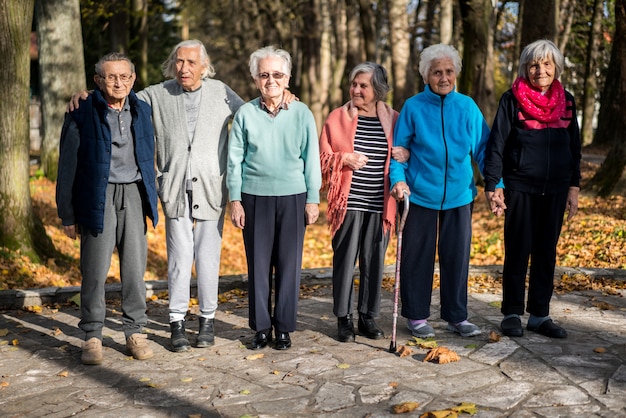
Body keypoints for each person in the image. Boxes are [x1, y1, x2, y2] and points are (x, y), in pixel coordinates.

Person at [68, 40, 296, 352]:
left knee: (207, 257)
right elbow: (119, 95)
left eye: (191, 62)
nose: (183, 68)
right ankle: (176, 321)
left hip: (211, 188)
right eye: (178, 62)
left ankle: (207, 320)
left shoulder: (220, 92)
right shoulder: (158, 94)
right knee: (178, 258)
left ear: (204, 66)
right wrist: (85, 95)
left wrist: (284, 97)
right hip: (174, 188)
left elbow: (253, 113)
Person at [57, 52, 159, 365]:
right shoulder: (81, 110)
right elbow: (67, 166)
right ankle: (92, 335)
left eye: (124, 76)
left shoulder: (142, 109)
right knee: (94, 269)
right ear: (98, 80)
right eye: (111, 77)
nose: (118, 82)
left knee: (133, 269)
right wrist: (67, 214)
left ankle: (135, 331)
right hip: (95, 195)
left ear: (133, 79)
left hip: (133, 194)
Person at [389, 43, 490, 339]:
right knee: (417, 256)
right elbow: (399, 151)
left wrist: (494, 183)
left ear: (456, 73)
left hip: (459, 195)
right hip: (419, 194)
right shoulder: (413, 107)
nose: (443, 77)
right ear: (426, 76)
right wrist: (398, 180)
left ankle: (457, 316)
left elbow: (483, 149)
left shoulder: (467, 107)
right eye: (437, 72)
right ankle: (416, 316)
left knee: (456, 257)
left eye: (448, 71)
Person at [483, 39, 581, 339]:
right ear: (526, 68)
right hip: (520, 187)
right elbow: (496, 144)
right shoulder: (511, 99)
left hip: (555, 189)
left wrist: (573, 187)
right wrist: (493, 185)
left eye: (547, 64)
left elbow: (574, 147)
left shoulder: (567, 100)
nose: (541, 70)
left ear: (556, 68)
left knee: (546, 253)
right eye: (534, 64)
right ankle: (512, 313)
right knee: (517, 251)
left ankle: (540, 315)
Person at [227, 46, 322, 351]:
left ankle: (283, 327)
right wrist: (235, 199)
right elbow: (234, 160)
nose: (271, 80)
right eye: (264, 74)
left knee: (289, 265)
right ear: (256, 79)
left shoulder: (302, 112)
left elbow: (311, 158)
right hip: (254, 197)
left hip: (293, 196)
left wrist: (312, 198)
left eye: (277, 74)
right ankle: (261, 327)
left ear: (288, 78)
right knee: (257, 266)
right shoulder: (245, 114)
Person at [319, 62, 405, 342]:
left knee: (374, 260)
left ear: (377, 90)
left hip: (381, 205)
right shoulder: (336, 118)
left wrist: (405, 154)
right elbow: (321, 157)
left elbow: (403, 151)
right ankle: (344, 318)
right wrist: (343, 158)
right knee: (345, 260)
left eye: (363, 85)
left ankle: (368, 317)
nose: (356, 90)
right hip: (349, 202)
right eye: (354, 84)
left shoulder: (394, 118)